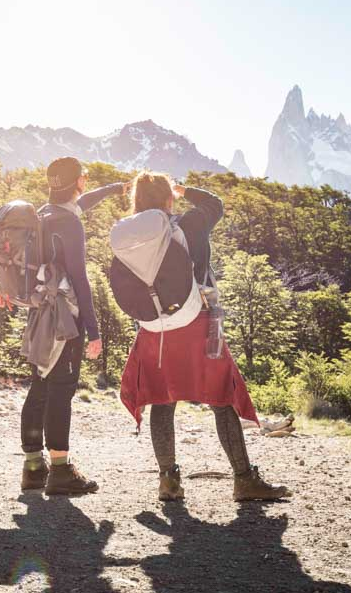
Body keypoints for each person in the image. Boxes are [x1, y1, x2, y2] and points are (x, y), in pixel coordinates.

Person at [118, 172, 289, 502]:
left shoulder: (131, 237)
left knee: (162, 399)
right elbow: (215, 203)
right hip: (200, 320)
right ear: (169, 198)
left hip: (154, 328)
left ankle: (168, 481)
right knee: (221, 396)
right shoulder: (190, 224)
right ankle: (244, 479)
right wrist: (183, 190)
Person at [21, 157, 126, 495]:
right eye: (84, 177)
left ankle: (33, 469)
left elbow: (83, 201)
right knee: (61, 389)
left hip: (39, 312)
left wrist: (115, 189)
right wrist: (93, 331)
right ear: (78, 181)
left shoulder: (43, 213)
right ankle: (61, 471)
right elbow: (80, 278)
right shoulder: (70, 223)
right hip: (65, 316)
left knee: (39, 385)